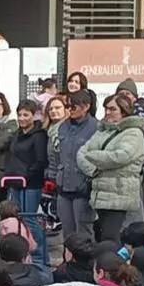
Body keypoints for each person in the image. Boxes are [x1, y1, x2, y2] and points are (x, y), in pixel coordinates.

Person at [76, 94, 144, 242]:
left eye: (112, 109)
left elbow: (120, 157)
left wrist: (93, 156)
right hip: (100, 192)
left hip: (119, 193)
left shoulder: (134, 133)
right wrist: (94, 169)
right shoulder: (102, 131)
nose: (107, 112)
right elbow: (81, 153)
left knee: (111, 237)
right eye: (106, 109)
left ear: (124, 111)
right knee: (101, 236)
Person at [54, 91, 99, 236]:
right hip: (63, 186)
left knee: (84, 231)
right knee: (67, 231)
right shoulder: (63, 126)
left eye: (73, 107)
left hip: (83, 188)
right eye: (68, 106)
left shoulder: (96, 127)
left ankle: (85, 259)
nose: (70, 110)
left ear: (86, 107)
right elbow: (56, 154)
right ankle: (68, 258)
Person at [4, 99, 48, 220]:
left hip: (31, 184)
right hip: (15, 182)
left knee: (29, 219)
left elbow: (40, 161)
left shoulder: (39, 135)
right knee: (16, 218)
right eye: (19, 115)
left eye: (26, 115)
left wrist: (26, 175)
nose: (22, 118)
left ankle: (37, 239)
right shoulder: (16, 134)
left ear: (33, 116)